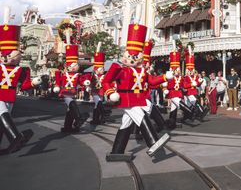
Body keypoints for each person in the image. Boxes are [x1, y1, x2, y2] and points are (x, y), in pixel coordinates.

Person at [102, 20, 171, 161]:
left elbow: (151, 82)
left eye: (135, 56)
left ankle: (117, 149)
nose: (133, 58)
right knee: (141, 116)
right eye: (130, 56)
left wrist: (164, 77)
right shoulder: (121, 69)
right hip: (127, 99)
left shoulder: (142, 71)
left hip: (137, 99)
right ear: (125, 56)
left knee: (126, 123)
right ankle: (153, 142)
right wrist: (110, 92)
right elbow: (106, 81)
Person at [0, 17, 35, 155]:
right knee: (2, 114)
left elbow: (25, 86)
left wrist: (34, 82)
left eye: (8, 54)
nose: (5, 57)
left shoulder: (22, 70)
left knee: (2, 121)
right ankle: (16, 136)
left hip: (10, 96)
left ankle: (13, 142)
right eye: (3, 54)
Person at [54, 36, 89, 133]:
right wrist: (57, 85)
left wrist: (85, 83)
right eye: (72, 65)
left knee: (70, 110)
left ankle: (67, 126)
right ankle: (78, 117)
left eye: (75, 65)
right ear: (67, 66)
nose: (74, 67)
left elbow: (81, 81)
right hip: (65, 91)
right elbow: (59, 80)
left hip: (73, 91)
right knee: (71, 102)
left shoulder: (78, 74)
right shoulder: (64, 73)